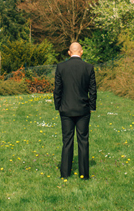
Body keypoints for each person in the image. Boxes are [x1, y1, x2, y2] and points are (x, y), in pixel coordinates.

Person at [54, 42, 97, 180]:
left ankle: (65, 173)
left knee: (67, 141)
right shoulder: (88, 68)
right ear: (82, 52)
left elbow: (57, 90)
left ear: (69, 52)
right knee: (83, 140)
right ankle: (84, 175)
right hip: (83, 109)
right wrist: (91, 107)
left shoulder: (61, 67)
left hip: (65, 109)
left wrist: (58, 106)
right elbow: (93, 90)